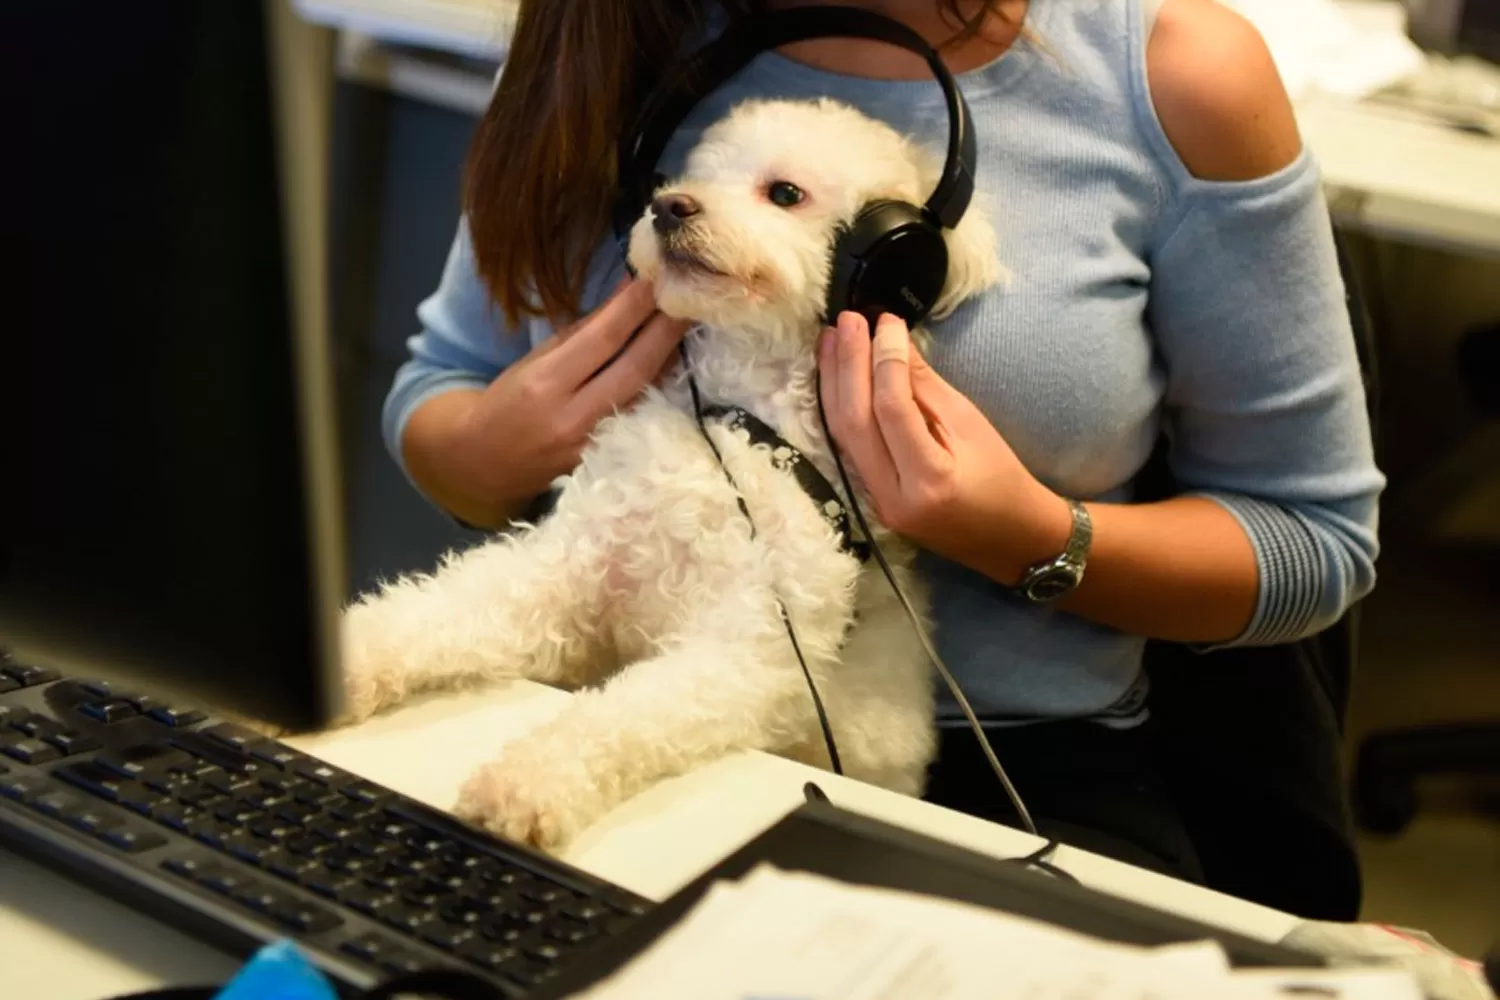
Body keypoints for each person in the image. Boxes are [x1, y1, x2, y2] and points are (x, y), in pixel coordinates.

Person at [381, 0, 1383, 882]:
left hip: (1007, 781)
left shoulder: (1176, 74)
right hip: (565, 701)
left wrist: (1033, 537)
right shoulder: (599, 34)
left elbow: (1316, 539)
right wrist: (484, 455)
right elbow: (441, 383)